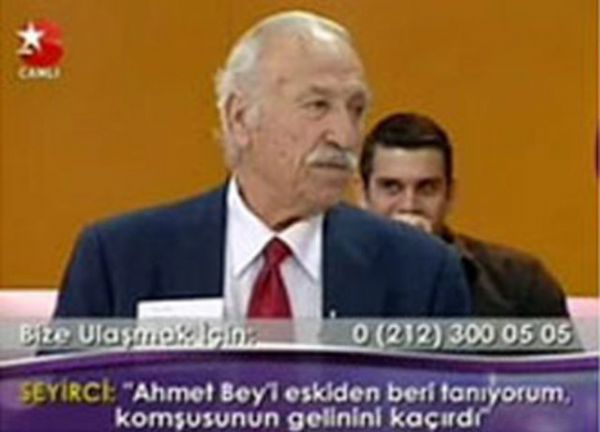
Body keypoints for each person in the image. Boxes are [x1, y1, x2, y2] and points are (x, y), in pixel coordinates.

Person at [54, 12, 470, 319]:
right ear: (240, 119)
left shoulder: (422, 273)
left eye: (356, 109)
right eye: (317, 106)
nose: (345, 136)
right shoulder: (119, 260)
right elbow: (61, 404)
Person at [360, 112, 568, 316]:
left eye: (427, 188)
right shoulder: (340, 279)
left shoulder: (520, 284)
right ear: (363, 194)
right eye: (391, 187)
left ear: (449, 195)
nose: (409, 205)